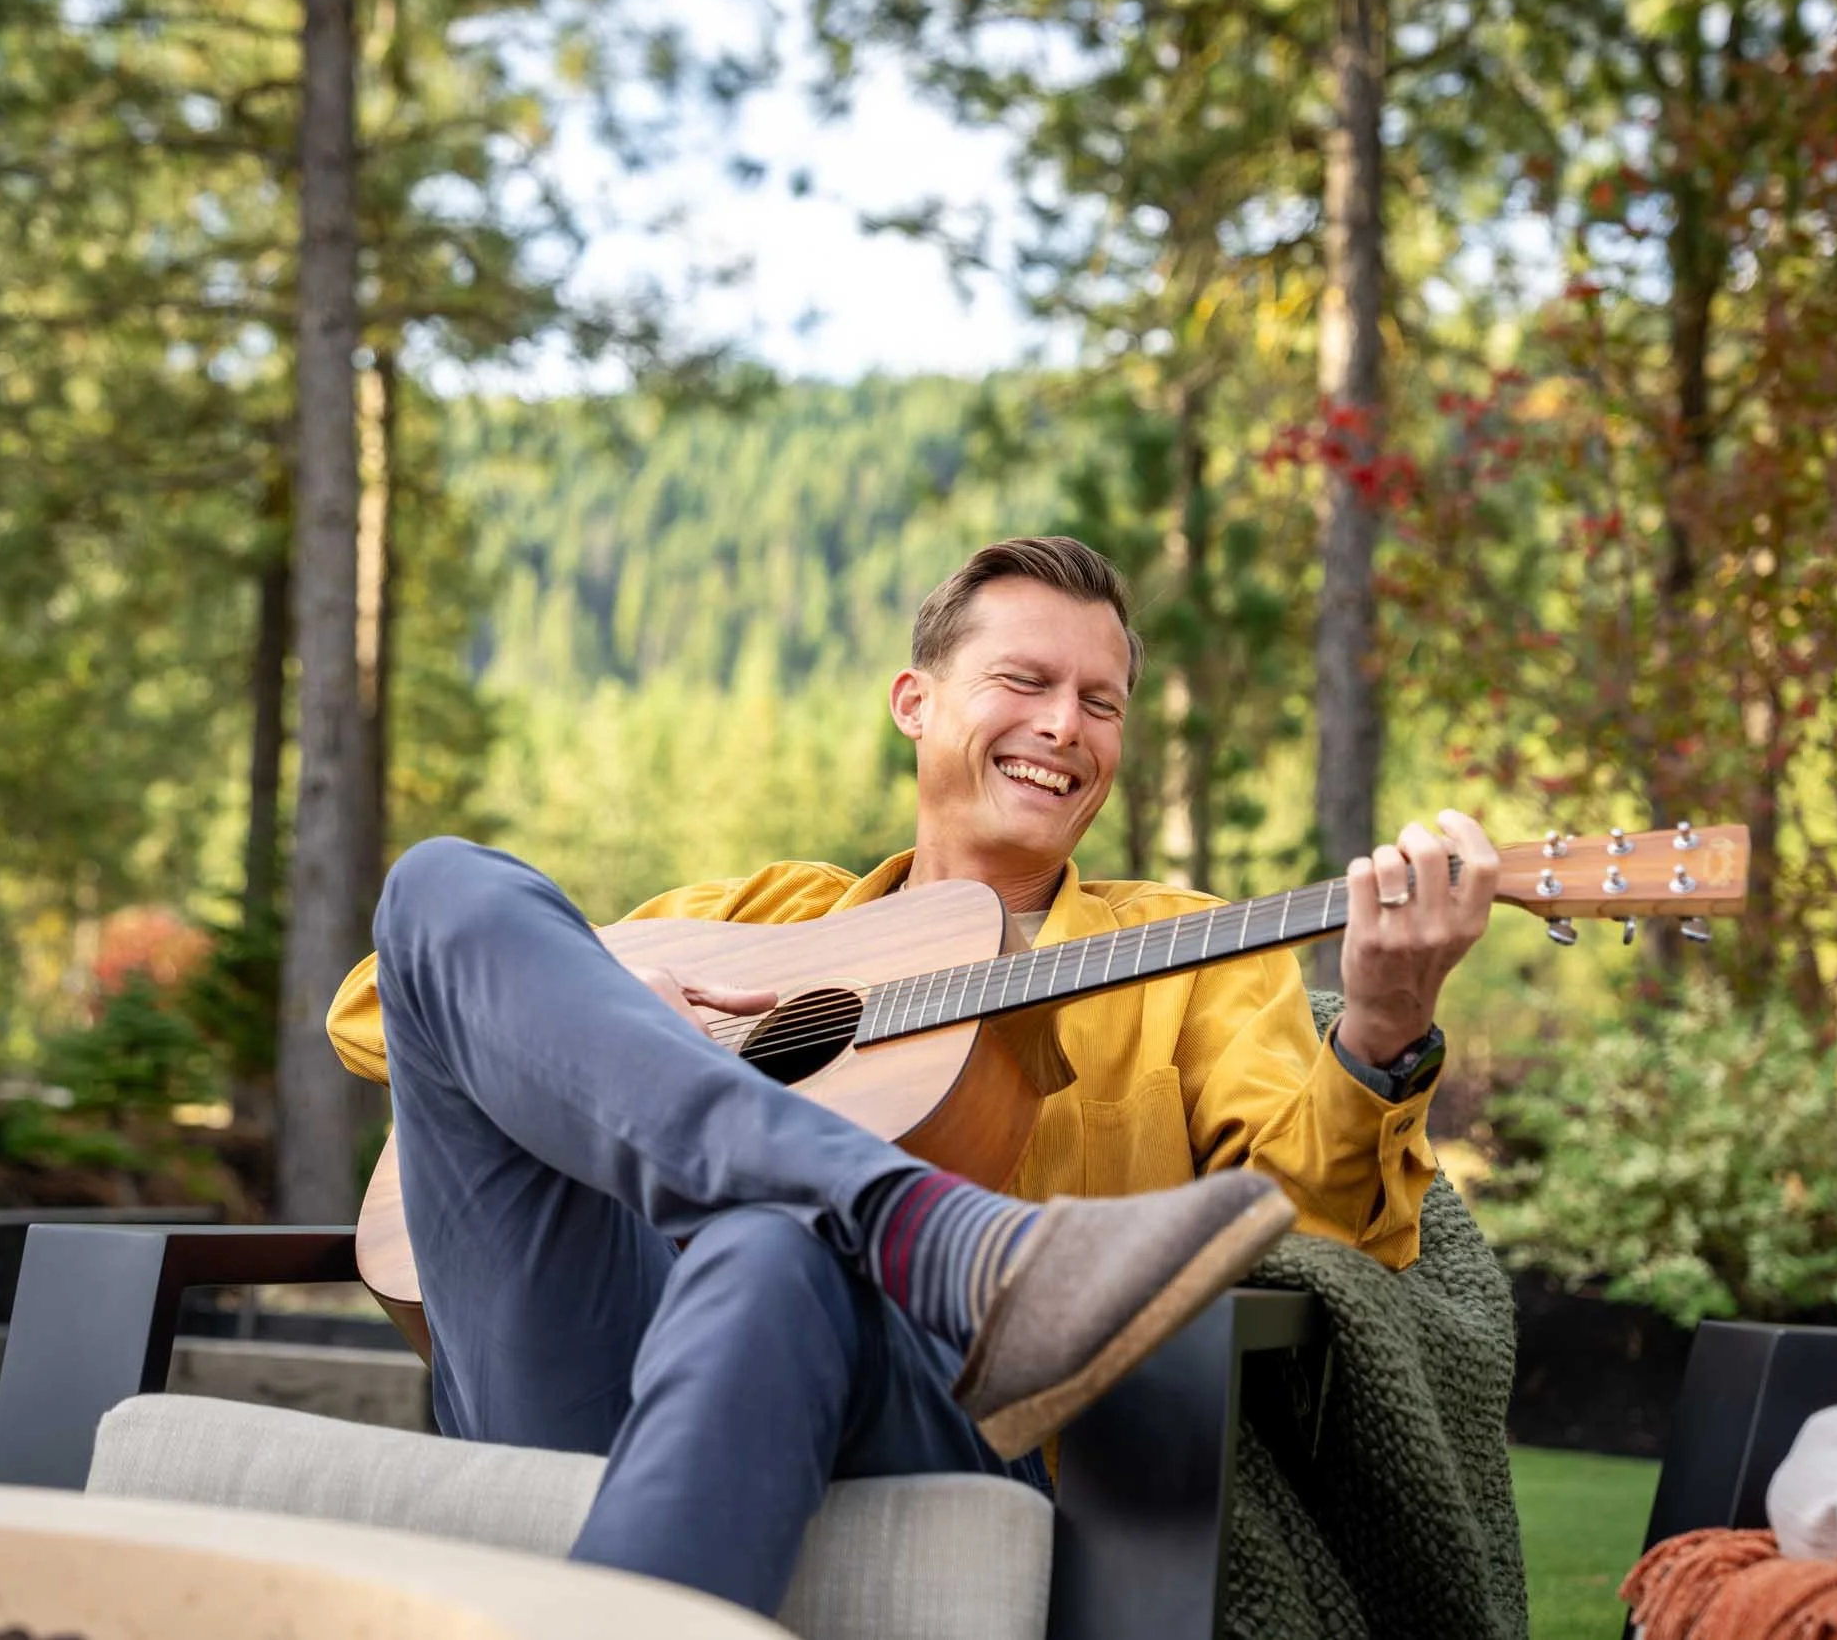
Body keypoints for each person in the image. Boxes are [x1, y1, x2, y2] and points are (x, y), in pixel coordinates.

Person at [326, 535, 1501, 1616]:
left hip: (924, 1411)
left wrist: (1384, 1030)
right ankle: (936, 1232)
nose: (1065, 724)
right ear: (915, 700)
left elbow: (1316, 1240)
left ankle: (885, 1232)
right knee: (438, 880)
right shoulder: (758, 916)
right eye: (1024, 681)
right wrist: (623, 1009)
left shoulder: (1193, 957)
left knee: (778, 1242)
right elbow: (388, 1002)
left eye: (1102, 702)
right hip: (587, 1349)